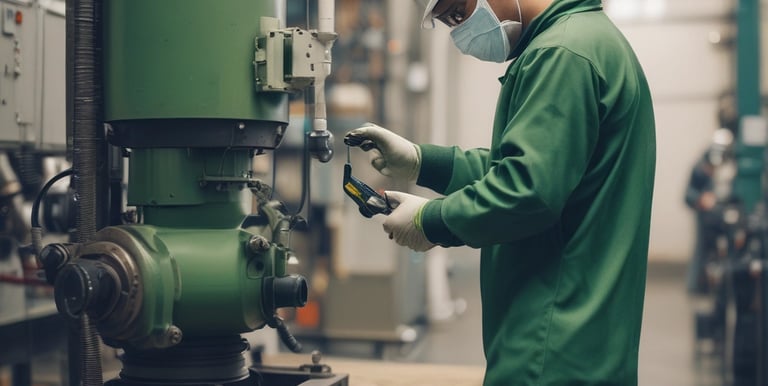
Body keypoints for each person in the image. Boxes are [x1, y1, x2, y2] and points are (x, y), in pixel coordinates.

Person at [344, 0, 656, 384]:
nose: (459, 30)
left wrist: (431, 221)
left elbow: (528, 190)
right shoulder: (586, 39)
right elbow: (536, 168)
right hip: (584, 337)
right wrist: (422, 162)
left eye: (458, 11)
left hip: (552, 343)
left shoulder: (560, 55)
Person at [684, 128, 736, 295]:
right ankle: (696, 286)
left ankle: (728, 284)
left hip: (727, 213)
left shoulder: (733, 165)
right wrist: (701, 198)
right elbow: (688, 194)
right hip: (706, 215)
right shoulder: (701, 167)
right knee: (702, 249)